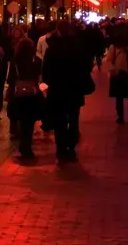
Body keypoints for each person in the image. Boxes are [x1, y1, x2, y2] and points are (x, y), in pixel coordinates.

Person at [42, 20, 92, 161]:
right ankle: (71, 144)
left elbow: (45, 70)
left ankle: (61, 148)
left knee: (59, 120)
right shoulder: (78, 46)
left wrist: (48, 84)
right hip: (74, 88)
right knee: (74, 117)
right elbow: (87, 65)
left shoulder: (52, 47)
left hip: (57, 90)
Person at [8, 37, 45, 158]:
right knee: (29, 122)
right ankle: (27, 146)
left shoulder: (15, 61)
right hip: (32, 94)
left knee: (22, 121)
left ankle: (23, 145)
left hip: (18, 95)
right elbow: (40, 77)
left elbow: (10, 79)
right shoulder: (37, 61)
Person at [106, 28, 128, 123]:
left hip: (124, 75)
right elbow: (109, 61)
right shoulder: (116, 48)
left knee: (125, 97)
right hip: (123, 75)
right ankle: (125, 116)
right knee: (125, 97)